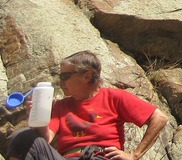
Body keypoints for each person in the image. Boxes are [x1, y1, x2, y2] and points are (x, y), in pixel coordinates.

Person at [7, 51, 168, 160]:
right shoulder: (61, 106)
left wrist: (134, 155)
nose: (60, 82)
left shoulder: (113, 97)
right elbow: (46, 138)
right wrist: (37, 119)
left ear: (87, 75)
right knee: (22, 137)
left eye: (65, 76)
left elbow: (159, 118)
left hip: (100, 156)